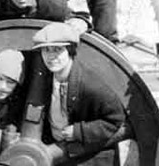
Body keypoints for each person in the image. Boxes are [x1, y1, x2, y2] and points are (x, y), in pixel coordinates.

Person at [32, 22, 125, 165]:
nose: (51, 56)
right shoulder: (45, 80)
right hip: (58, 151)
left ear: (70, 50)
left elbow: (115, 119)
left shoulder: (91, 85)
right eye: (46, 50)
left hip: (90, 156)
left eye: (57, 49)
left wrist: (78, 131)